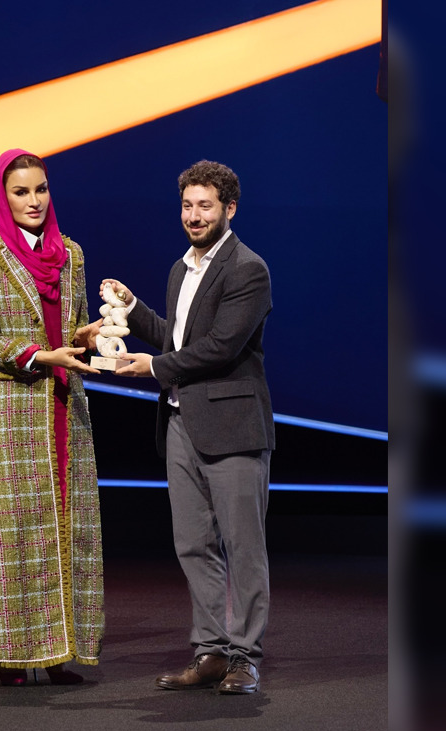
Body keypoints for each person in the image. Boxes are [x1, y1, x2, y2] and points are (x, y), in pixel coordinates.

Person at [104, 160, 274, 695]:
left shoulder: (248, 269)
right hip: (181, 423)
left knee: (243, 547)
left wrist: (151, 368)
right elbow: (177, 339)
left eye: (205, 206)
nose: (194, 216)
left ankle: (245, 657)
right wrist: (134, 311)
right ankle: (211, 652)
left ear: (229, 209)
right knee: (193, 545)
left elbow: (221, 346)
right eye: (187, 206)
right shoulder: (183, 269)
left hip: (233, 426)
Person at [0, 148, 105, 687]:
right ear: (3, 196)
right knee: (14, 532)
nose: (34, 201)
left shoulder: (72, 255)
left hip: (64, 407)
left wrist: (88, 337)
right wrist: (43, 355)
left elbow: (78, 326)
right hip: (10, 411)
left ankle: (59, 649)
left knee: (67, 527)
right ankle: (14, 656)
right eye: (21, 191)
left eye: (41, 189)